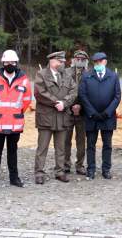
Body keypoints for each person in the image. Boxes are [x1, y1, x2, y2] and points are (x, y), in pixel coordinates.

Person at [0, 50, 32, 190]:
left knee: (13, 151)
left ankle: (14, 178)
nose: (9, 64)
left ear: (16, 63)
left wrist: (14, 113)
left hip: (15, 124)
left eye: (12, 62)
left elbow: (26, 101)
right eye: (7, 62)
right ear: (3, 63)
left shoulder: (24, 80)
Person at [34, 51, 77, 184]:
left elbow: (74, 91)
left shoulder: (67, 75)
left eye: (63, 62)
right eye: (60, 61)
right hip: (46, 117)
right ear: (52, 61)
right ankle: (39, 173)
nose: (62, 64)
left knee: (61, 147)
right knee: (42, 148)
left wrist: (64, 103)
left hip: (62, 116)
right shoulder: (41, 74)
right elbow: (39, 93)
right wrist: (55, 102)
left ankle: (60, 171)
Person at [79, 52, 121, 180]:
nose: (98, 64)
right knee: (90, 145)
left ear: (105, 62)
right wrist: (91, 112)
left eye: (100, 62)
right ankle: (91, 169)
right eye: (95, 62)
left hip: (107, 117)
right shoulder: (87, 76)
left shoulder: (113, 76)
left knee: (107, 144)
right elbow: (83, 95)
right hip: (91, 117)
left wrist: (107, 112)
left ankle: (106, 169)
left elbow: (117, 96)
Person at [64, 50, 89, 175]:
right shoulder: (65, 72)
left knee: (81, 141)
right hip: (67, 112)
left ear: (86, 60)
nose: (79, 60)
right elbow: (63, 91)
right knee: (65, 140)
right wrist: (70, 106)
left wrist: (81, 107)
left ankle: (80, 165)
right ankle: (65, 164)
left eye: (82, 59)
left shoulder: (89, 74)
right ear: (73, 59)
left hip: (83, 113)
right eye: (77, 58)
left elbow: (91, 94)